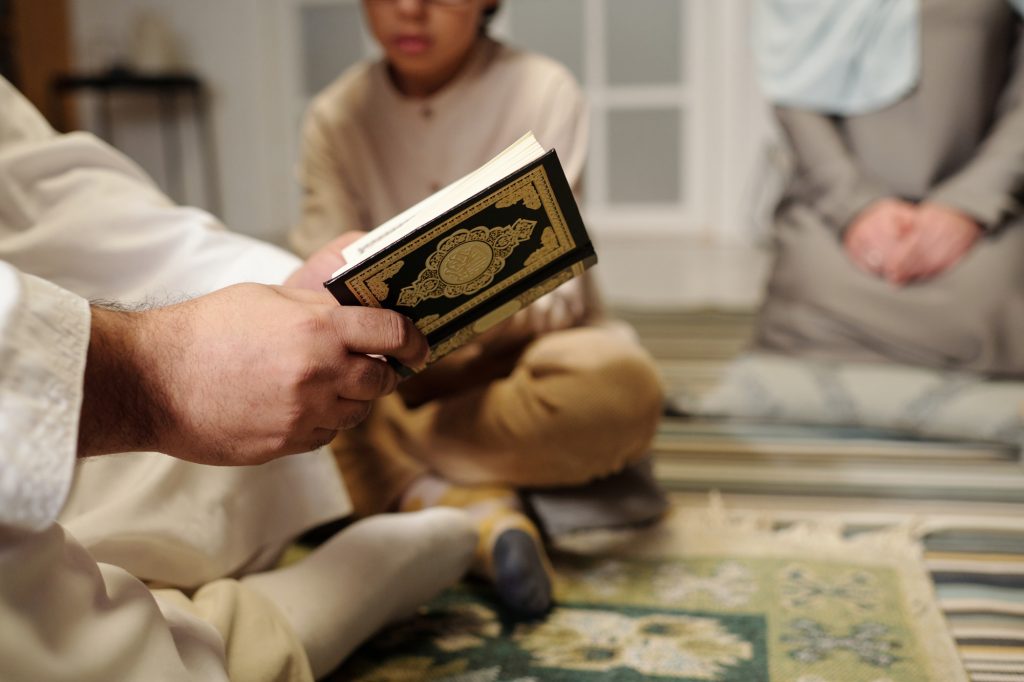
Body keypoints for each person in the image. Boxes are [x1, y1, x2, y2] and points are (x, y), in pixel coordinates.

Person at [0, 75, 480, 682]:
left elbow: (54, 199)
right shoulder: (339, 113)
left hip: (52, 376)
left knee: (599, 385)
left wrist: (286, 298)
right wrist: (155, 371)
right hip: (40, 396)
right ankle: (288, 611)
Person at [289, 0, 665, 617]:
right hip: (392, 374)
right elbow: (319, 289)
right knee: (277, 390)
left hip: (524, 357)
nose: (410, 9)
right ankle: (488, 513)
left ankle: (411, 482)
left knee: (621, 388)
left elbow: (558, 287)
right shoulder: (336, 117)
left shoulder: (544, 89)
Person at [751, 0, 1024, 377]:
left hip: (991, 205)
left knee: (988, 305)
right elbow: (791, 92)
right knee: (813, 294)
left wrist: (968, 206)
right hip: (834, 209)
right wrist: (857, 208)